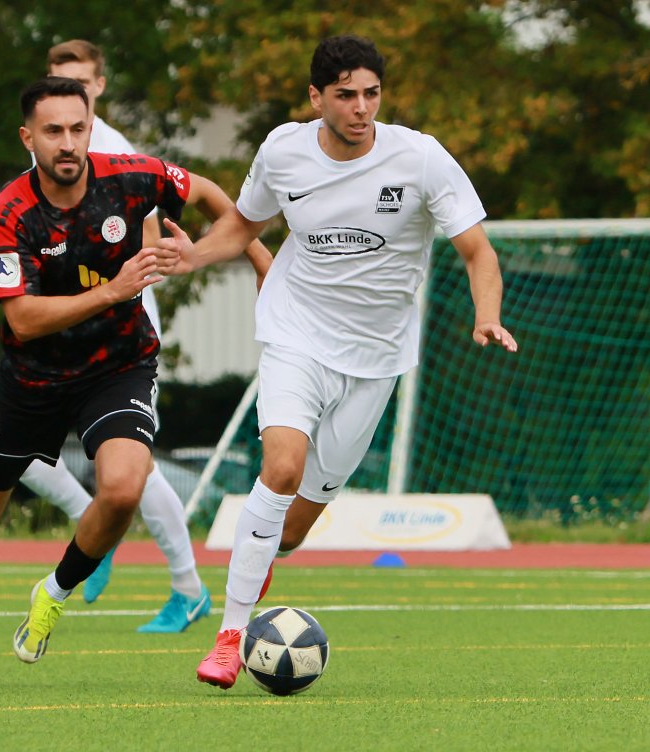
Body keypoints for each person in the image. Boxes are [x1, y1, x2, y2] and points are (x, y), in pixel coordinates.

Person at [152, 35, 519, 689]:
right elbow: (243, 225)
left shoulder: (420, 158)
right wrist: (194, 255)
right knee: (281, 468)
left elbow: (477, 251)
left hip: (376, 360)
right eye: (346, 95)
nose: (361, 108)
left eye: (371, 94)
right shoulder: (283, 151)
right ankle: (229, 637)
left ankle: (262, 558)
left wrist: (486, 314)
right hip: (296, 335)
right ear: (316, 97)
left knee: (291, 531)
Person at [0, 76, 267, 687]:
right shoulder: (8, 213)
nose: (67, 143)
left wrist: (251, 256)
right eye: (53, 131)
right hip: (30, 379)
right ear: (28, 138)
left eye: (78, 128)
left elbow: (204, 192)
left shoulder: (130, 177)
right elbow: (22, 318)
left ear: (90, 128)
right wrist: (114, 290)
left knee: (122, 489)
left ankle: (54, 592)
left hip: (117, 367)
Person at [15, 39, 237, 632]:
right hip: (66, 323)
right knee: (19, 452)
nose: (70, 94)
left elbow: (161, 231)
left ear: (100, 88)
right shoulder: (49, 141)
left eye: (81, 83)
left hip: (120, 327)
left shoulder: (109, 148)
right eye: (58, 79)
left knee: (135, 468)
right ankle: (94, 524)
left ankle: (187, 587)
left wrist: (246, 254)